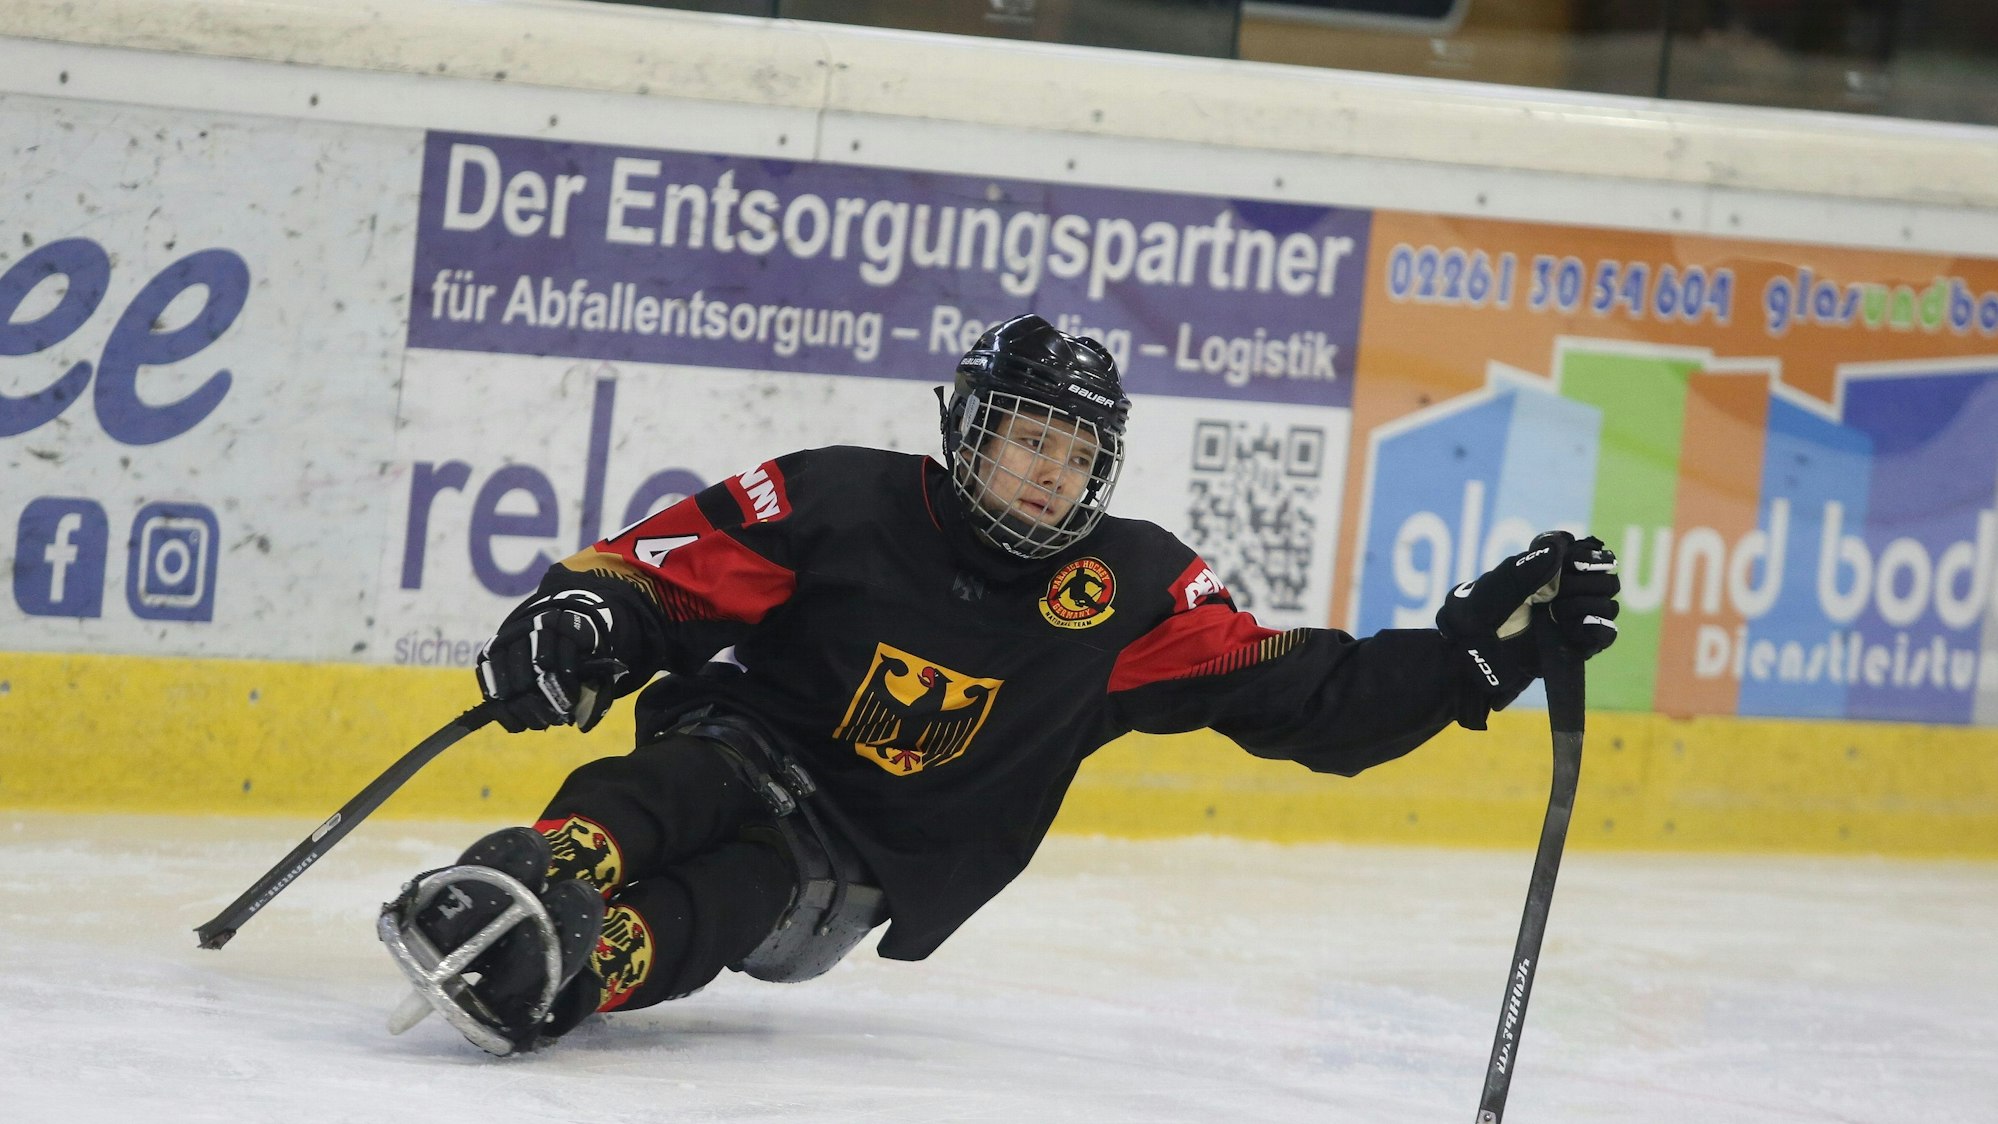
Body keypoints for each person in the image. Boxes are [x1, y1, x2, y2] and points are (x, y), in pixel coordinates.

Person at [378, 313, 1622, 1055]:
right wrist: (584, 614)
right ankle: (533, 876)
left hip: (858, 861)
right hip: (744, 741)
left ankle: (582, 969)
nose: (1052, 474)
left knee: (734, 892)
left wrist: (1465, 657)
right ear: (969, 424)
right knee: (671, 783)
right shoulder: (842, 495)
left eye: (1079, 454)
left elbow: (1305, 695)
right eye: (1032, 436)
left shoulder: (1132, 592)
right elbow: (668, 573)